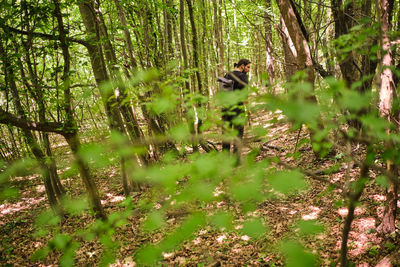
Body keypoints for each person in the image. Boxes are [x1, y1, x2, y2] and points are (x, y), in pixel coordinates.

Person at [222, 58, 251, 153]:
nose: (249, 69)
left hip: (225, 107)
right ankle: (236, 160)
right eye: (248, 67)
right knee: (238, 134)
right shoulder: (243, 77)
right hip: (237, 108)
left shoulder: (227, 74)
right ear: (242, 66)